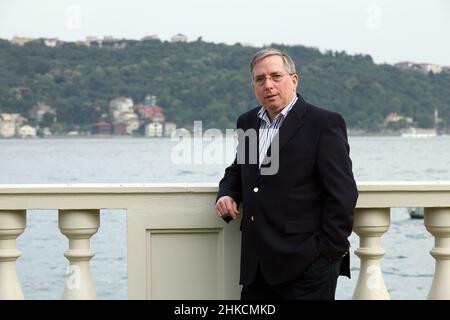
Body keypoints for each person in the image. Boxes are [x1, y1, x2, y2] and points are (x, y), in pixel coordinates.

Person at [215, 48, 358, 300]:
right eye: (260, 79)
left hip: (307, 266)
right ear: (253, 86)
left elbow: (343, 194)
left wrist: (327, 254)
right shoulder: (247, 122)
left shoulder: (323, 123)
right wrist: (227, 193)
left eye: (275, 76)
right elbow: (239, 169)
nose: (268, 85)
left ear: (294, 80)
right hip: (256, 267)